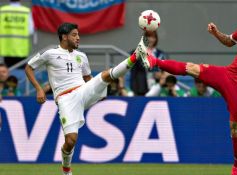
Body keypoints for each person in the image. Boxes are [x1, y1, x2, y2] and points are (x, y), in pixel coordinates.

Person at [138, 4, 237, 175]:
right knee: (193, 68)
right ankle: (154, 61)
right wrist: (216, 33)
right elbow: (229, 41)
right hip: (228, 74)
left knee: (235, 130)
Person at [25, 22, 147, 175]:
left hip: (83, 90)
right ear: (64, 37)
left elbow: (88, 78)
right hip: (65, 99)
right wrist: (38, 89)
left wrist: (97, 90)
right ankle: (66, 169)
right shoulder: (50, 54)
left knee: (104, 75)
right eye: (74, 35)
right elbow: (28, 68)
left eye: (78, 35)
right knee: (70, 141)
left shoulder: (81, 56)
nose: (78, 38)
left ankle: (135, 56)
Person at [130, 30, 168, 95]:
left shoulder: (160, 54)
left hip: (157, 87)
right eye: (148, 37)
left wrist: (161, 75)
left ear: (156, 39)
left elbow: (166, 70)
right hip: (141, 88)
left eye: (153, 37)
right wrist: (134, 89)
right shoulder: (137, 52)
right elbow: (133, 73)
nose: (151, 39)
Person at [0, 0, 34, 68]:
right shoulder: (25, 11)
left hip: (7, 47)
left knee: (8, 72)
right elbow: (30, 30)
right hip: (21, 48)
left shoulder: (2, 10)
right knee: (20, 73)